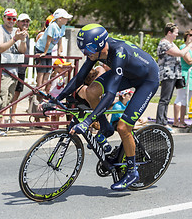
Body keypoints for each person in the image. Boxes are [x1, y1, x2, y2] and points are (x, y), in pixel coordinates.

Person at [54, 24, 160, 190]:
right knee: (92, 91)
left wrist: (88, 121)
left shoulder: (119, 52)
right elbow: (80, 77)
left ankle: (132, 172)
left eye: (87, 49)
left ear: (100, 44)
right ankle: (105, 128)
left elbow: (110, 95)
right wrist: (56, 99)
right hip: (128, 74)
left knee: (124, 127)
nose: (84, 53)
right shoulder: (96, 52)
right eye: (82, 49)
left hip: (148, 80)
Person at [0, 8, 28, 136]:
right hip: (1, 70)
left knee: (7, 101)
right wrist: (15, 39)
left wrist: (22, 39)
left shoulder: (16, 32)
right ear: (4, 18)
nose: (11, 21)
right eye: (9, 18)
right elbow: (0, 47)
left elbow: (22, 51)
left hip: (13, 70)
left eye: (14, 19)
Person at [155, 23, 192, 133]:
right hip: (168, 74)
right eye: (176, 33)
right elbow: (181, 53)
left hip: (173, 74)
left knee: (167, 99)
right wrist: (191, 44)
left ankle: (163, 121)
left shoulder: (171, 43)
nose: (177, 35)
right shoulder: (164, 44)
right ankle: (160, 122)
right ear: (169, 32)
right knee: (164, 99)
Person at [34, 8, 72, 90]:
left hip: (49, 50)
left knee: (48, 69)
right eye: (65, 18)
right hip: (41, 48)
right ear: (60, 18)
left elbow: (60, 40)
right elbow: (48, 41)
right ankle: (39, 87)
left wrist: (59, 52)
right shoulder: (52, 26)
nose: (67, 20)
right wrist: (44, 52)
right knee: (42, 69)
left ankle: (43, 88)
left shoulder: (63, 27)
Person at [10, 13, 31, 123]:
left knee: (17, 91)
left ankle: (12, 116)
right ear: (17, 22)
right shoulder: (15, 33)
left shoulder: (27, 35)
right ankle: (5, 116)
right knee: (9, 92)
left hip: (23, 67)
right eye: (23, 21)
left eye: (27, 21)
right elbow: (20, 50)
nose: (25, 23)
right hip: (14, 66)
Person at [49, 58, 72, 130]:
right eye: (63, 67)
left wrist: (70, 68)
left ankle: (56, 125)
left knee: (58, 113)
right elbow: (53, 74)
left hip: (60, 96)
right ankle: (53, 126)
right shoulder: (54, 74)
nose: (64, 68)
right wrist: (56, 68)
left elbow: (69, 73)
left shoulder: (62, 75)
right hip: (53, 95)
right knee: (53, 113)